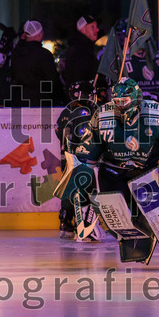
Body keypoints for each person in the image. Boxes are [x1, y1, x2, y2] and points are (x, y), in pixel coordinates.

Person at [79, 77, 159, 266]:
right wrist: (84, 157)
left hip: (146, 170)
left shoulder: (156, 111)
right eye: (116, 101)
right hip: (113, 171)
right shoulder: (102, 114)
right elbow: (90, 144)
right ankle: (138, 244)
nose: (119, 106)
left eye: (124, 101)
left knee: (158, 213)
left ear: (136, 98)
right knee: (114, 216)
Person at [55, 80, 100, 242]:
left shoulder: (66, 111)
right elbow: (85, 136)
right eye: (91, 95)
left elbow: (57, 131)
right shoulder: (84, 112)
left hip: (66, 158)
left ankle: (66, 223)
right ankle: (84, 227)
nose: (93, 98)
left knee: (69, 190)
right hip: (81, 158)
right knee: (83, 192)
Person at [10, 19, 65, 107]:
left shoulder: (16, 54)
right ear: (40, 34)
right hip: (41, 103)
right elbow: (52, 80)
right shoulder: (44, 54)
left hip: (19, 103)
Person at [62, 15, 100, 90]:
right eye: (92, 27)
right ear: (83, 30)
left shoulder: (86, 48)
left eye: (96, 26)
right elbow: (79, 79)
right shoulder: (79, 51)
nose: (97, 29)